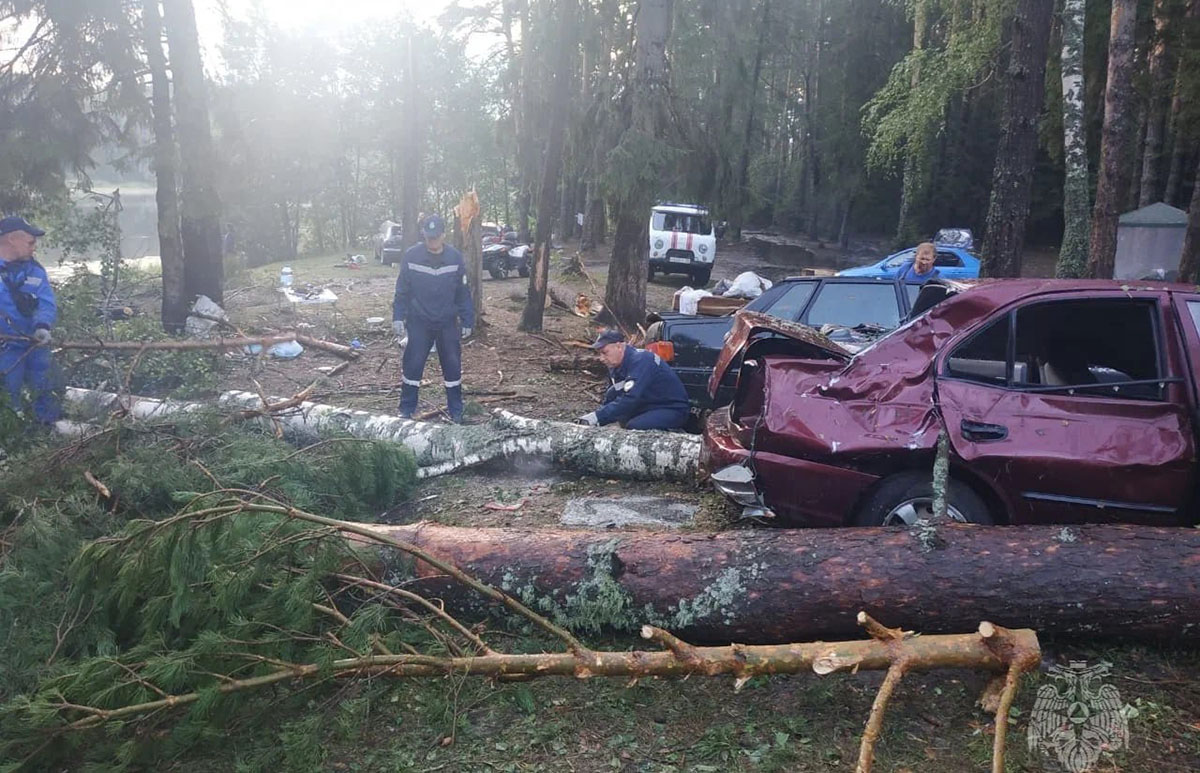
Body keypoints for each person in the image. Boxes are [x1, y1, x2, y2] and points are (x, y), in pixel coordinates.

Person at [392, 214, 475, 422]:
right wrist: (398, 317)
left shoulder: (455, 258)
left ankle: (456, 411)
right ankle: (406, 409)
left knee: (452, 366)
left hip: (447, 322)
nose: (433, 242)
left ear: (444, 235)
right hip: (419, 321)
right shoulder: (412, 256)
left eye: (436, 237)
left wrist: (467, 319)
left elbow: (463, 292)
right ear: (424, 235)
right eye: (429, 238)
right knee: (413, 364)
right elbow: (402, 289)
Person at [0, 216, 59, 423]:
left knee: (46, 388)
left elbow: (46, 302)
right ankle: (12, 440)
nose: (34, 248)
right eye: (30, 242)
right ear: (11, 240)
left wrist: (42, 326)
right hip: (5, 349)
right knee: (8, 397)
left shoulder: (35, 270)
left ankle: (47, 432)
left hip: (35, 345)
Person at [577, 329, 690, 430]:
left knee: (635, 427)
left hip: (671, 409)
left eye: (605, 353)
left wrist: (597, 417)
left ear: (619, 346)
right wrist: (597, 419)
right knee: (622, 417)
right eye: (599, 354)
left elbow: (630, 398)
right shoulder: (616, 365)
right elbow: (613, 395)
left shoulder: (642, 361)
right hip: (648, 406)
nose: (601, 358)